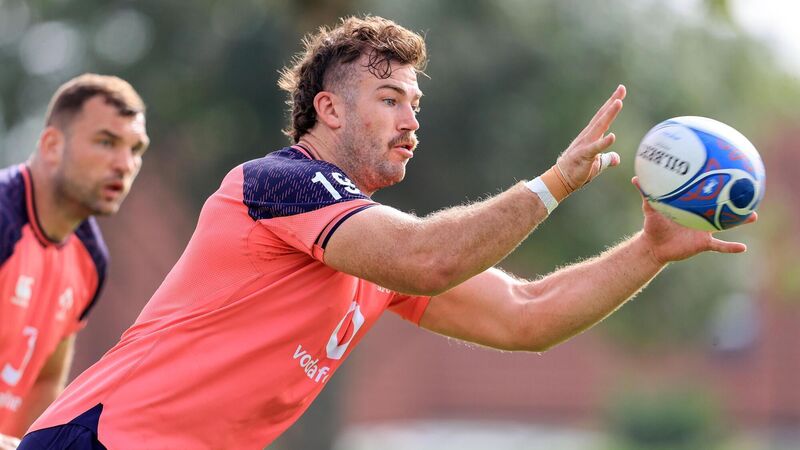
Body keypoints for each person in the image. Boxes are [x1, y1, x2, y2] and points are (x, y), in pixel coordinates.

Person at [21, 16, 753, 449]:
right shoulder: (277, 182)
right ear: (329, 110)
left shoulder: (369, 251)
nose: (411, 121)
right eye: (390, 98)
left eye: (416, 105)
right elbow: (428, 257)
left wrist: (650, 251)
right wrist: (555, 183)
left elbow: (527, 316)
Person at [0, 74, 149, 448]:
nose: (125, 164)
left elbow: (45, 378)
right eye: (106, 142)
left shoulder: (91, 260)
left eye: (136, 149)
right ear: (52, 145)